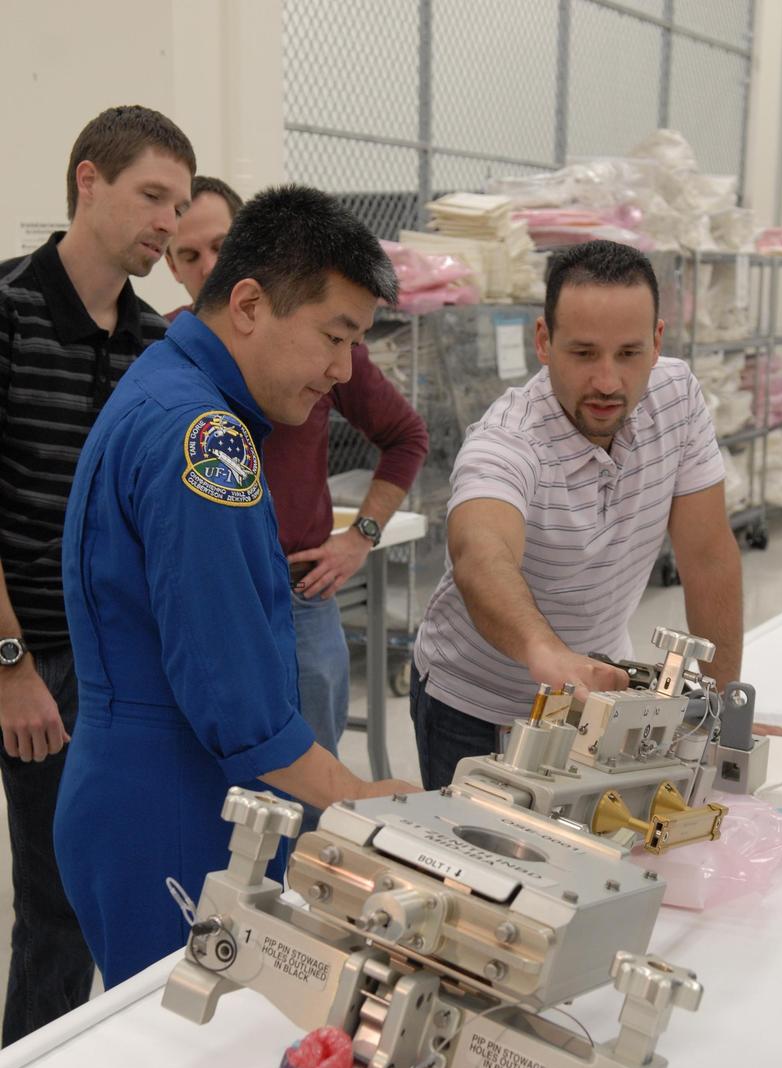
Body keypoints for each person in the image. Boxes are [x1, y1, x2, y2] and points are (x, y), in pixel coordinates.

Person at [55, 185, 419, 990]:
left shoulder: (173, 389)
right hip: (174, 805)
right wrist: (361, 801)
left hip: (152, 783)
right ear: (249, 304)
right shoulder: (204, 438)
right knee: (192, 1064)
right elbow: (236, 698)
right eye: (335, 336)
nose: (342, 370)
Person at [0, 105, 195, 1045]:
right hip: (18, 653)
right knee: (53, 910)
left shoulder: (154, 342)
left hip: (92, 667)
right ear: (88, 181)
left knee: (64, 902)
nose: (168, 222)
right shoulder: (7, 312)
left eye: (180, 204)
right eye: (152, 196)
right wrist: (11, 665)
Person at [411, 240, 743, 789]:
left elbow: (708, 556)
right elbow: (481, 555)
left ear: (658, 342)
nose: (608, 382)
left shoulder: (677, 397)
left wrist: (722, 714)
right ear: (544, 341)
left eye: (629, 353)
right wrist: (547, 653)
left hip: (598, 701)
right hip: (476, 708)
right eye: (584, 353)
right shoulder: (509, 439)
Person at [164, 176, 429, 831]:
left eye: (218, 250)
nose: (204, 271)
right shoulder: (165, 363)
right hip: (214, 604)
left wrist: (360, 535)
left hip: (300, 596)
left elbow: (405, 436)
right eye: (186, 256)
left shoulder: (322, 353)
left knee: (313, 799)